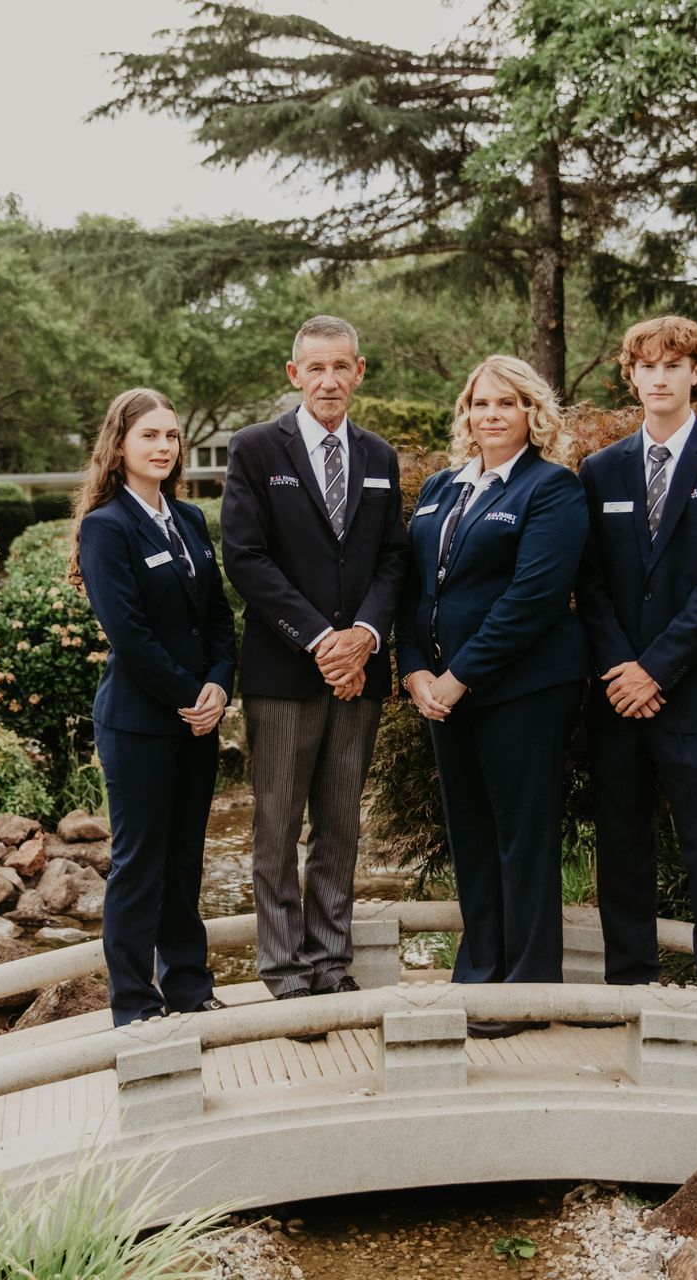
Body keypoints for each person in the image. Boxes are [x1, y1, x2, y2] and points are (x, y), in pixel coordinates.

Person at [575, 315, 697, 1076]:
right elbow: (588, 584)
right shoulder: (601, 471)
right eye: (646, 365)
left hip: (695, 694)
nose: (659, 377)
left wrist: (656, 669)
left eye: (675, 364)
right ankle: (632, 991)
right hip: (617, 696)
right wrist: (623, 669)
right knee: (621, 849)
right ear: (630, 377)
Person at [221, 316, 409, 1018]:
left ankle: (331, 960)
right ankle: (282, 965)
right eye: (315, 368)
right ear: (293, 373)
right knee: (275, 824)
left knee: (340, 824)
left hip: (359, 675)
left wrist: (363, 635)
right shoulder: (254, 449)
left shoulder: (380, 456)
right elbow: (244, 557)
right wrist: (320, 640)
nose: (329, 380)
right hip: (284, 673)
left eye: (342, 367)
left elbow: (394, 557)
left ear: (359, 371)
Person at [400, 355, 589, 1039]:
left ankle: (528, 992)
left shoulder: (552, 489)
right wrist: (415, 668)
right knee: (472, 837)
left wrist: (460, 675)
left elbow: (533, 599)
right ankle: (480, 975)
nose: (490, 415)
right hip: (444, 692)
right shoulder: (440, 487)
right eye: (479, 403)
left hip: (524, 689)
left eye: (505, 404)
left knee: (522, 838)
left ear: (532, 413)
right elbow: (416, 586)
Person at [72, 388, 237, 1027]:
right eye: (150, 437)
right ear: (120, 446)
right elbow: (130, 634)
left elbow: (219, 618)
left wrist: (220, 686)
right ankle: (135, 1004)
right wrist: (189, 697)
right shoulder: (106, 526)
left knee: (186, 859)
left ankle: (190, 986)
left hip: (199, 721)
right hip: (141, 723)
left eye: (172, 437)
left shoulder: (191, 521)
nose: (164, 447)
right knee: (141, 864)